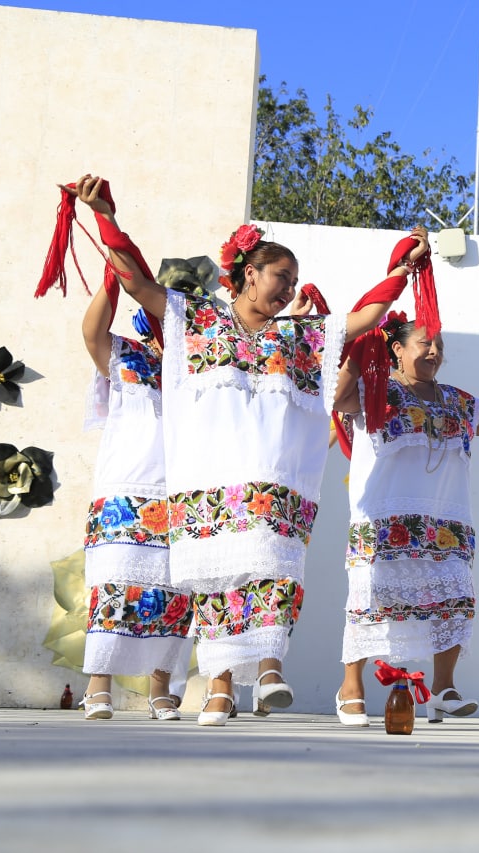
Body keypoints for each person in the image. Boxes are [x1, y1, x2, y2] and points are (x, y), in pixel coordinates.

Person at [63, 174, 422, 726]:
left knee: (274, 570)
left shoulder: (295, 337)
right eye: (281, 276)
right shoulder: (196, 323)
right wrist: (106, 216)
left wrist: (399, 272)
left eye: (295, 280)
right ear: (248, 274)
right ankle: (218, 690)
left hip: (272, 482)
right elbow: (134, 279)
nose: (288, 288)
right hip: (211, 484)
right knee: (214, 581)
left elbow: (362, 319)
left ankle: (269, 671)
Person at [330, 314, 479, 725]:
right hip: (385, 516)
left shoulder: (455, 399)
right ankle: (350, 686)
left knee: (452, 601)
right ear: (398, 350)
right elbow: (337, 399)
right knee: (370, 598)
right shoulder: (376, 391)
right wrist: (357, 354)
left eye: (439, 346)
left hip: (445, 518)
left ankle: (443, 688)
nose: (434, 352)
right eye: (425, 343)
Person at [79, 287, 193, 721]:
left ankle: (160, 688)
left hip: (181, 491)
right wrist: (112, 279)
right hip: (125, 487)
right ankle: (98, 686)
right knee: (114, 586)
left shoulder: (198, 370)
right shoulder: (126, 356)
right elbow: (92, 333)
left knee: (173, 594)